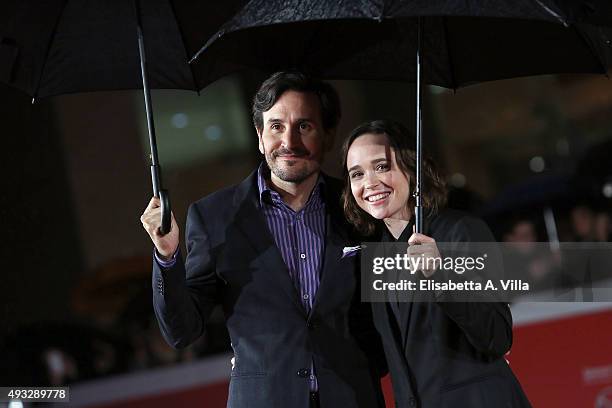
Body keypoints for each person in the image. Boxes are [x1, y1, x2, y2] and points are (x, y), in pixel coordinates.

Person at [141, 72, 385, 408]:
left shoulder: (358, 206)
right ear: (259, 136)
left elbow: (394, 313)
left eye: (305, 126)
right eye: (276, 127)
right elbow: (181, 331)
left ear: (328, 135)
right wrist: (167, 256)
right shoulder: (215, 216)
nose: (289, 142)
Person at [342, 120, 531, 407]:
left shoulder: (461, 230)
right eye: (357, 174)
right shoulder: (374, 257)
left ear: (411, 168)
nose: (369, 183)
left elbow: (497, 336)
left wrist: (439, 275)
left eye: (382, 166)